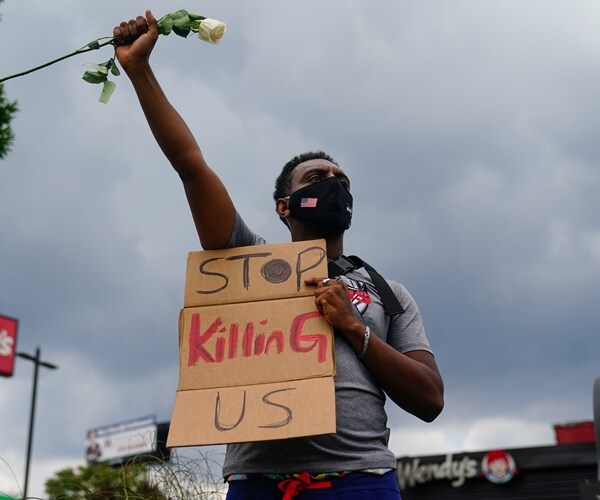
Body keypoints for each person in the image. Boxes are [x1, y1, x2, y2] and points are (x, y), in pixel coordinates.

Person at [113, 11, 444, 499]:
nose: (333, 184)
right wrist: (139, 70)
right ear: (284, 206)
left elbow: (430, 397)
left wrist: (353, 328)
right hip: (257, 485)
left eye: (342, 180)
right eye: (317, 178)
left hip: (360, 481)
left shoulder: (389, 293)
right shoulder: (245, 261)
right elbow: (190, 166)